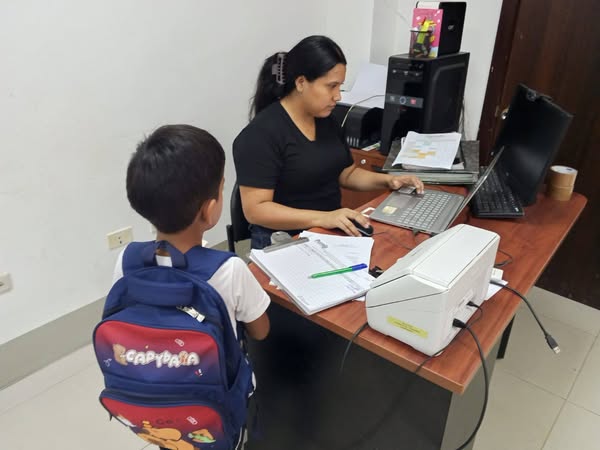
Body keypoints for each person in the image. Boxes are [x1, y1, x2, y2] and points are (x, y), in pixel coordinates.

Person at [114, 124, 271, 450]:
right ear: (209, 210)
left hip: (153, 407)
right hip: (214, 412)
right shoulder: (228, 269)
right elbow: (260, 331)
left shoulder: (126, 261)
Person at [233, 35, 424, 249]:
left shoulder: (326, 120)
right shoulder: (260, 134)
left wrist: (389, 180)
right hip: (284, 241)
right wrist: (324, 218)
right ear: (301, 83)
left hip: (327, 232)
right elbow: (256, 210)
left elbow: (346, 173)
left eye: (340, 86)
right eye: (331, 86)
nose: (338, 96)